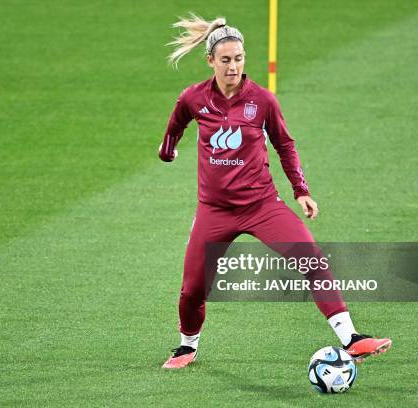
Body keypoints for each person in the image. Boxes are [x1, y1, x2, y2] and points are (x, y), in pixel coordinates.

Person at [159, 14, 391, 369]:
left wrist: (301, 190)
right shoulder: (194, 98)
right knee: (192, 288)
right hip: (214, 210)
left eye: (238, 58)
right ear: (211, 61)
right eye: (225, 60)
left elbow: (285, 144)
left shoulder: (262, 101)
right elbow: (176, 124)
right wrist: (168, 149)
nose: (233, 66)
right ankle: (187, 346)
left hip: (262, 205)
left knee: (310, 258)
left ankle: (352, 338)